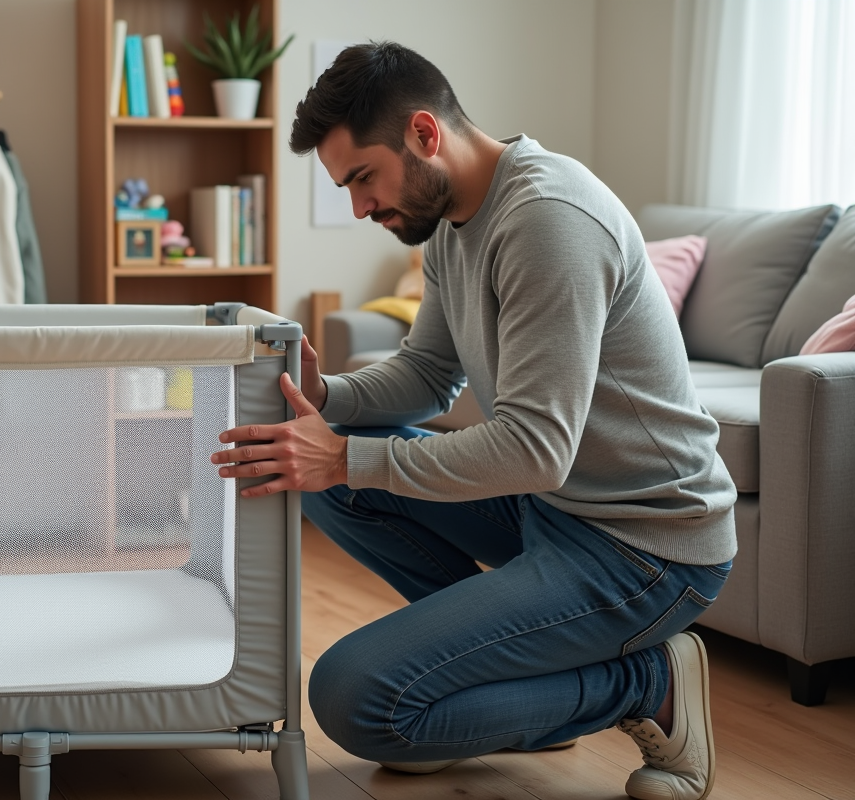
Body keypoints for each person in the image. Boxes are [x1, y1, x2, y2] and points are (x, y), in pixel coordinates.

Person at [210, 41, 736, 800]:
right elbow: (429, 375)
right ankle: (501, 670)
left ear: (425, 134)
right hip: (557, 512)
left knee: (357, 700)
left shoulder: (548, 219)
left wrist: (341, 458)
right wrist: (330, 405)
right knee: (327, 467)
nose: (359, 208)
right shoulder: (451, 220)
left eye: (363, 178)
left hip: (645, 546)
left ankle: (647, 683)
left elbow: (535, 447)